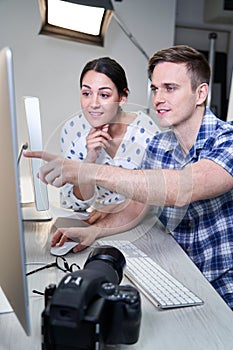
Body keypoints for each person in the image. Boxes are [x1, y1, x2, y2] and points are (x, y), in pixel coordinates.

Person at [24, 45, 233, 309]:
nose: (158, 98)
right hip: (179, 273)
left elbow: (182, 189)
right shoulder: (159, 145)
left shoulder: (228, 139)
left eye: (170, 88)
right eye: (155, 88)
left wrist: (86, 170)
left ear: (200, 93)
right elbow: (137, 205)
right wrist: (95, 232)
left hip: (223, 285)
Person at [59, 57, 159, 224]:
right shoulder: (73, 130)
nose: (93, 104)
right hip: (96, 221)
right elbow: (75, 203)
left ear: (123, 97)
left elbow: (156, 193)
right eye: (86, 94)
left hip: (141, 223)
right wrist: (89, 159)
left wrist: (114, 210)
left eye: (104, 95)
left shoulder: (146, 132)